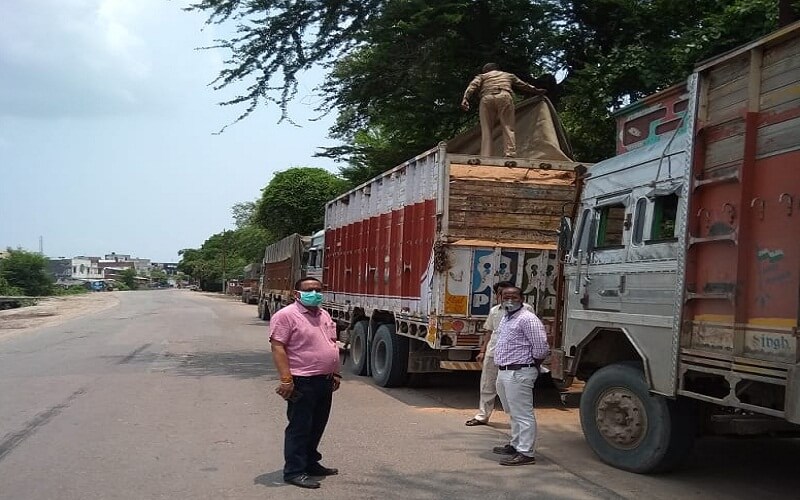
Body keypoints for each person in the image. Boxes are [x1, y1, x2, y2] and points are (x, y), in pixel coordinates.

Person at [269, 277, 342, 489]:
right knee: (300, 427)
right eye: (309, 290)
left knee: (317, 425)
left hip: (324, 380)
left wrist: (336, 373)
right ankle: (294, 471)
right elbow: (278, 347)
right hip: (302, 381)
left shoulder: (323, 314)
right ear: (296, 294)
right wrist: (286, 379)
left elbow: (331, 343)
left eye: (319, 289)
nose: (315, 293)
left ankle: (310, 462)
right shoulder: (286, 316)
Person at [491, 285, 549, 466]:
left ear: (521, 298)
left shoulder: (527, 319)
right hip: (505, 371)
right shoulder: (507, 318)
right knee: (513, 411)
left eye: (514, 296)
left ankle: (526, 452)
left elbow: (541, 349)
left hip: (519, 372)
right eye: (505, 296)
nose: (509, 300)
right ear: (500, 298)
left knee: (523, 414)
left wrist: (531, 366)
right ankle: (515, 445)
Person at [465, 281, 534, 427]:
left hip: (515, 356)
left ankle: (516, 420)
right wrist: (483, 350)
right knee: (487, 385)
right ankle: (482, 416)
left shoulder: (527, 310)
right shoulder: (495, 311)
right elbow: (489, 332)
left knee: (512, 388)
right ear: (498, 296)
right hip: (493, 353)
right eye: (502, 294)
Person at [461, 63, 546, 158]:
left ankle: (486, 155)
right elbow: (524, 85)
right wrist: (537, 91)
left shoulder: (482, 76)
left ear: (485, 71)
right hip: (504, 96)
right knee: (507, 126)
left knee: (487, 129)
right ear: (498, 69)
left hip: (487, 98)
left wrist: (465, 98)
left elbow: (472, 86)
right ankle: (510, 153)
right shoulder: (507, 75)